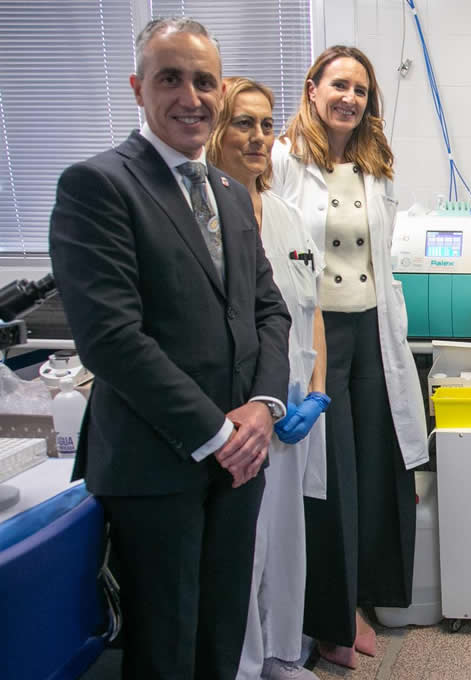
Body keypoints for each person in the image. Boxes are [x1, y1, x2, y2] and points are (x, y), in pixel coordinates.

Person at [48, 17, 291, 679]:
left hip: (238, 464)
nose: (191, 96)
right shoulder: (98, 187)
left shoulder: (231, 195)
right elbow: (111, 339)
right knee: (165, 649)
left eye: (204, 80)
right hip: (156, 468)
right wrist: (217, 431)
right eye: (171, 79)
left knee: (219, 632)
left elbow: (268, 309)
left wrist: (264, 408)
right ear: (138, 88)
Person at [271, 45, 429, 670]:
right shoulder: (285, 160)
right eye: (339, 85)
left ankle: (361, 602)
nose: (350, 98)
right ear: (312, 89)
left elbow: (381, 262)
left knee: (372, 468)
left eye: (361, 90)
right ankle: (327, 621)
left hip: (373, 331)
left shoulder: (374, 164)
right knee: (326, 479)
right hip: (316, 335)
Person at [207, 76, 329, 680]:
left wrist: (318, 393)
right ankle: (245, 664)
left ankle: (282, 653)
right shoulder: (206, 216)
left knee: (286, 536)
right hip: (245, 408)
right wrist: (262, 399)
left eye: (264, 124)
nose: (257, 137)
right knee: (245, 542)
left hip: (296, 401)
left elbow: (313, 313)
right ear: (214, 129)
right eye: (242, 123)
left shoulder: (284, 215)